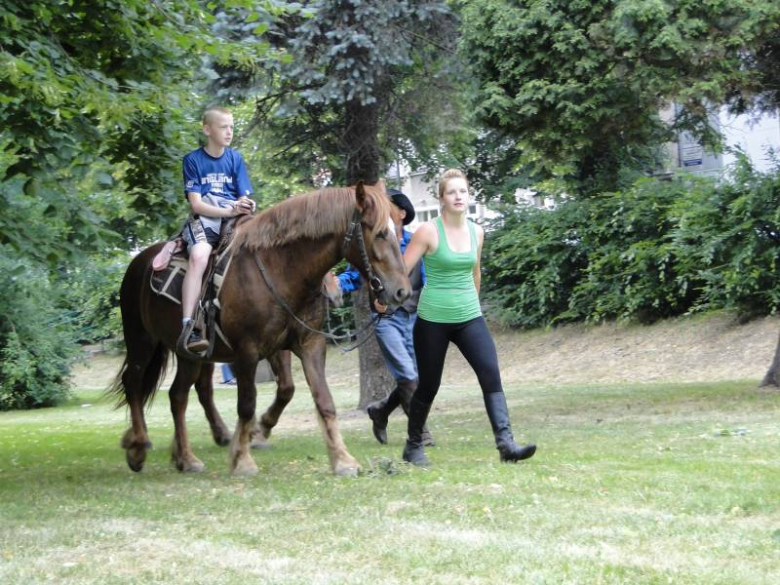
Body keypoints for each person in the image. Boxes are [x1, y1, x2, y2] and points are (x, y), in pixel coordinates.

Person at [398, 169, 537, 466]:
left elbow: (475, 273)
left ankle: (506, 445)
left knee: (491, 374)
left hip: (469, 317)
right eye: (452, 192)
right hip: (433, 320)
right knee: (429, 385)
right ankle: (413, 446)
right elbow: (401, 272)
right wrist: (385, 299)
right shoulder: (428, 232)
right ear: (441, 198)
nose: (458, 196)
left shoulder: (477, 232)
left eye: (463, 191)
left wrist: (472, 304)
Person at [332, 188, 433, 446]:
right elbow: (353, 276)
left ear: (401, 213)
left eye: (388, 207)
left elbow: (428, 280)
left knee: (418, 379)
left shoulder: (416, 243)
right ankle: (421, 433)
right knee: (407, 376)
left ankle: (380, 411)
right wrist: (336, 284)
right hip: (387, 320)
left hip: (415, 318)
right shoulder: (371, 245)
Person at [179, 106, 256, 353]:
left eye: (232, 127)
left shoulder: (235, 159)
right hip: (204, 219)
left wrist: (246, 205)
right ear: (207, 130)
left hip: (232, 218)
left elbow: (243, 196)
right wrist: (230, 211)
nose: (229, 132)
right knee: (199, 256)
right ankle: (189, 325)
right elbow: (196, 204)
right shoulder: (193, 160)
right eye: (224, 127)